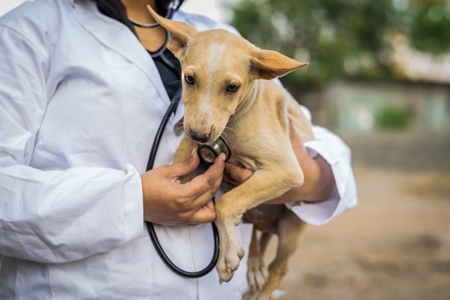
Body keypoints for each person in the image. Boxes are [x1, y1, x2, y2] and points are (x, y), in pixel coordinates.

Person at [0, 0, 357, 299]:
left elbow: (308, 140)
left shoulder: (221, 38)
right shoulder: (28, 32)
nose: (200, 125)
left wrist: (310, 180)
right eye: (190, 79)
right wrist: (134, 200)